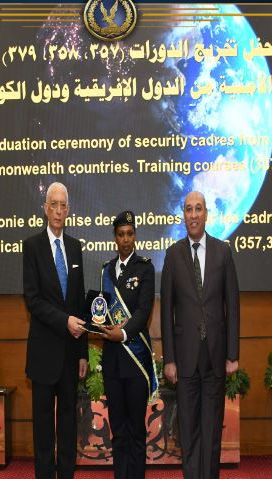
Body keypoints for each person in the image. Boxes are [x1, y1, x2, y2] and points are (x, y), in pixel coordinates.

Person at [161, 191, 240, 479]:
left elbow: (232, 305)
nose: (193, 214)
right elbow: (166, 311)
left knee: (212, 429)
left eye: (198, 209)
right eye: (188, 209)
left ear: (207, 214)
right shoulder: (173, 255)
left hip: (215, 356)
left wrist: (232, 354)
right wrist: (169, 359)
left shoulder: (223, 252)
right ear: (183, 215)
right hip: (185, 358)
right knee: (189, 429)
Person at [23, 182, 88, 479]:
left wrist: (83, 352)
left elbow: (79, 302)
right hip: (43, 353)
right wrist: (64, 321)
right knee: (43, 427)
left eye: (63, 205)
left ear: (68, 210)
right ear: (45, 209)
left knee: (68, 423)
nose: (59, 210)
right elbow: (33, 300)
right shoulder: (32, 247)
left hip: (71, 352)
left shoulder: (74, 247)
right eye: (54, 205)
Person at [99, 211, 158, 479]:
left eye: (130, 234)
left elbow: (144, 311)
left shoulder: (145, 268)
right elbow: (101, 310)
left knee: (135, 430)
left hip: (135, 360)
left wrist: (122, 333)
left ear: (135, 236)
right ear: (115, 238)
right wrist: (97, 323)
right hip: (112, 362)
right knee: (118, 431)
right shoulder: (106, 270)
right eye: (121, 234)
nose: (125, 239)